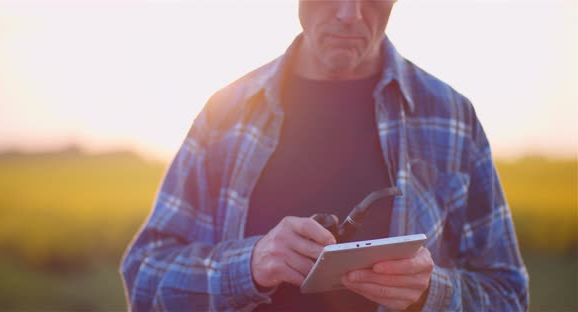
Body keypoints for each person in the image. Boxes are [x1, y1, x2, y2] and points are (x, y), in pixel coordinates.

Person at [121, 1, 529, 311]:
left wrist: (432, 291)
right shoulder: (226, 112)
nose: (349, 13)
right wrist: (250, 264)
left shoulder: (451, 115)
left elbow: (508, 294)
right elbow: (144, 276)